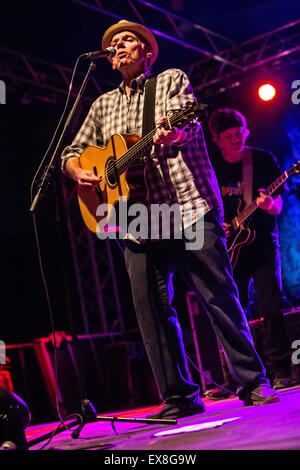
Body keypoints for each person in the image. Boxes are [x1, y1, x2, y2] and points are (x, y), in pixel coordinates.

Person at [61, 20, 280, 419]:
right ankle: (179, 396)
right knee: (150, 308)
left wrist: (172, 135)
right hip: (137, 217)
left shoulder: (169, 80)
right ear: (108, 59)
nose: (119, 46)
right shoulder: (100, 105)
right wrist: (78, 171)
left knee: (218, 295)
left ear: (146, 51)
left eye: (128, 40)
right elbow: (73, 149)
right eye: (113, 43)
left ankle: (251, 381)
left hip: (187, 204)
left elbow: (188, 121)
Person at [206, 108, 292, 400]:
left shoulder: (263, 159)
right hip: (229, 249)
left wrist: (269, 206)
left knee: (271, 306)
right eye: (229, 136)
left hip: (264, 244)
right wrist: (221, 228)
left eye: (240, 132)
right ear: (216, 139)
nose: (237, 139)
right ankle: (239, 377)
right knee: (233, 312)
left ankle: (280, 371)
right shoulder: (211, 166)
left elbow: (279, 204)